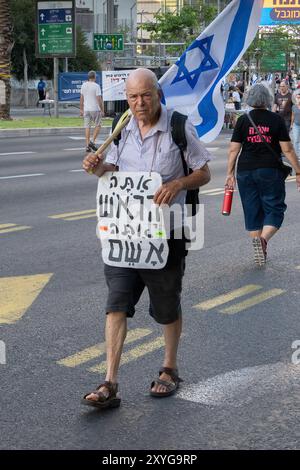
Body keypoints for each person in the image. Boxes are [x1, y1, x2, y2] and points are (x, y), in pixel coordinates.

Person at [81, 68, 211, 408]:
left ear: (158, 94)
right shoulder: (121, 127)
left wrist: (178, 183)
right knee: (116, 305)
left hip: (167, 234)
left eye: (146, 95)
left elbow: (204, 171)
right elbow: (111, 170)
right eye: (133, 97)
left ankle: (169, 368)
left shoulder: (179, 127)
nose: (140, 103)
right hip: (125, 234)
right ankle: (109, 382)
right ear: (127, 98)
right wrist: (97, 165)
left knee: (166, 306)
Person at [225, 84, 300, 266]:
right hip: (269, 170)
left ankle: (260, 249)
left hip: (244, 171)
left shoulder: (243, 120)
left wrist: (229, 174)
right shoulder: (275, 120)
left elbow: (234, 150)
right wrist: (298, 170)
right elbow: (288, 149)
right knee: (275, 209)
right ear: (268, 99)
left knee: (252, 211)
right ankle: (263, 240)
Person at [80, 70, 105, 152]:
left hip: (86, 109)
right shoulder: (96, 86)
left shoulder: (83, 85)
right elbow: (99, 99)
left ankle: (87, 145)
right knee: (98, 125)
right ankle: (92, 141)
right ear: (94, 77)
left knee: (87, 127)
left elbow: (81, 98)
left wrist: (81, 109)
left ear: (88, 77)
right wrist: (102, 109)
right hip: (95, 109)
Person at [291, 92, 300, 159]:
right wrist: (291, 124)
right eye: (297, 98)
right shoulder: (294, 106)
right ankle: (297, 155)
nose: (298, 99)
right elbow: (293, 115)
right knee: (296, 140)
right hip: (296, 125)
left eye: (299, 98)